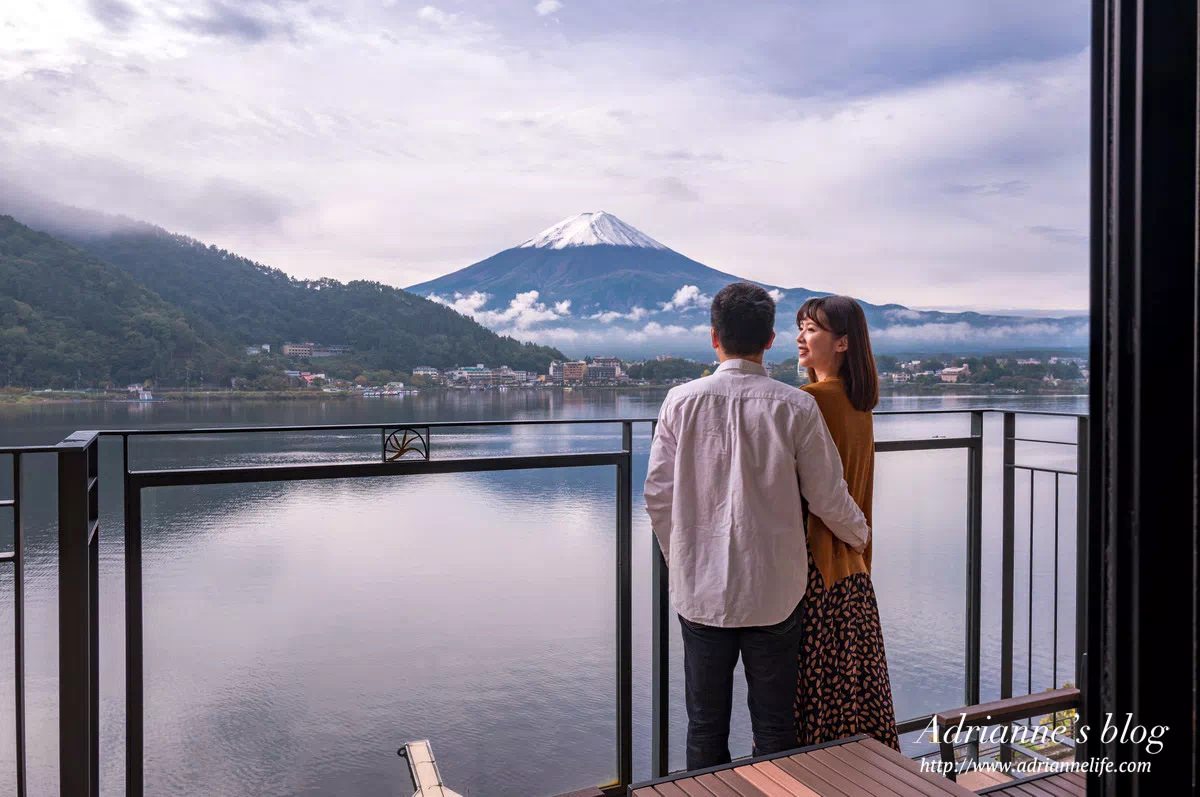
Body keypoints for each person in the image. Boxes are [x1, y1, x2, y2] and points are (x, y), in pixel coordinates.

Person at [644, 282, 871, 771]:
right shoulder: (795, 406)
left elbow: (657, 496)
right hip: (776, 591)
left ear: (713, 338)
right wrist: (860, 534)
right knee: (774, 724)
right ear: (770, 340)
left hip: (700, 592)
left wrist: (680, 556)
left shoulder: (680, 402)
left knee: (705, 724)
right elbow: (828, 495)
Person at [792, 295, 900, 750]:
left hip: (817, 572)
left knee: (813, 715)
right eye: (800, 327)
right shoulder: (860, 404)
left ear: (841, 343)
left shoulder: (808, 402)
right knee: (855, 710)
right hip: (855, 571)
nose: (800, 337)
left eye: (812, 329)